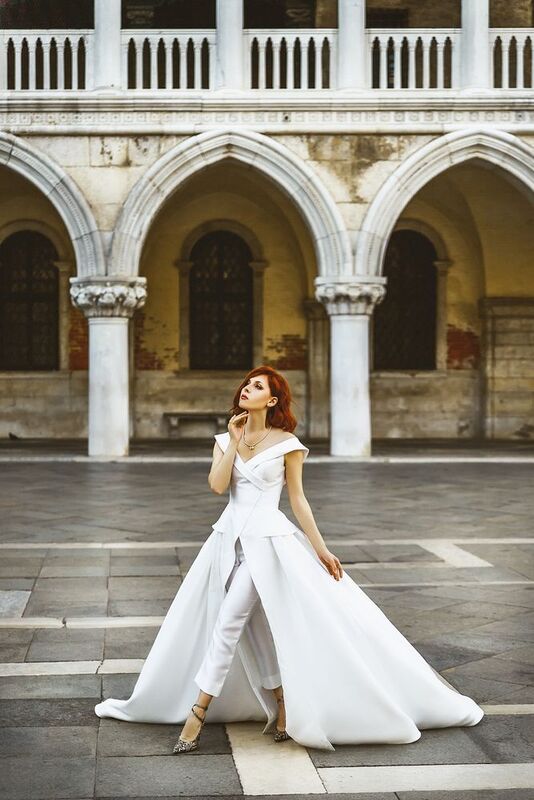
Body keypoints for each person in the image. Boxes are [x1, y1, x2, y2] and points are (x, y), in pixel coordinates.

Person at [94, 365, 484, 753]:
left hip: (268, 544)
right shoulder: (223, 438)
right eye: (247, 383)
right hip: (226, 543)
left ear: (273, 399)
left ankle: (198, 710)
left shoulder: (287, 444)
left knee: (228, 622)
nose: (247, 388)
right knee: (254, 628)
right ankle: (282, 701)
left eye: (258, 385)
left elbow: (298, 500)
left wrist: (320, 548)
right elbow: (216, 487)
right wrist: (232, 441)